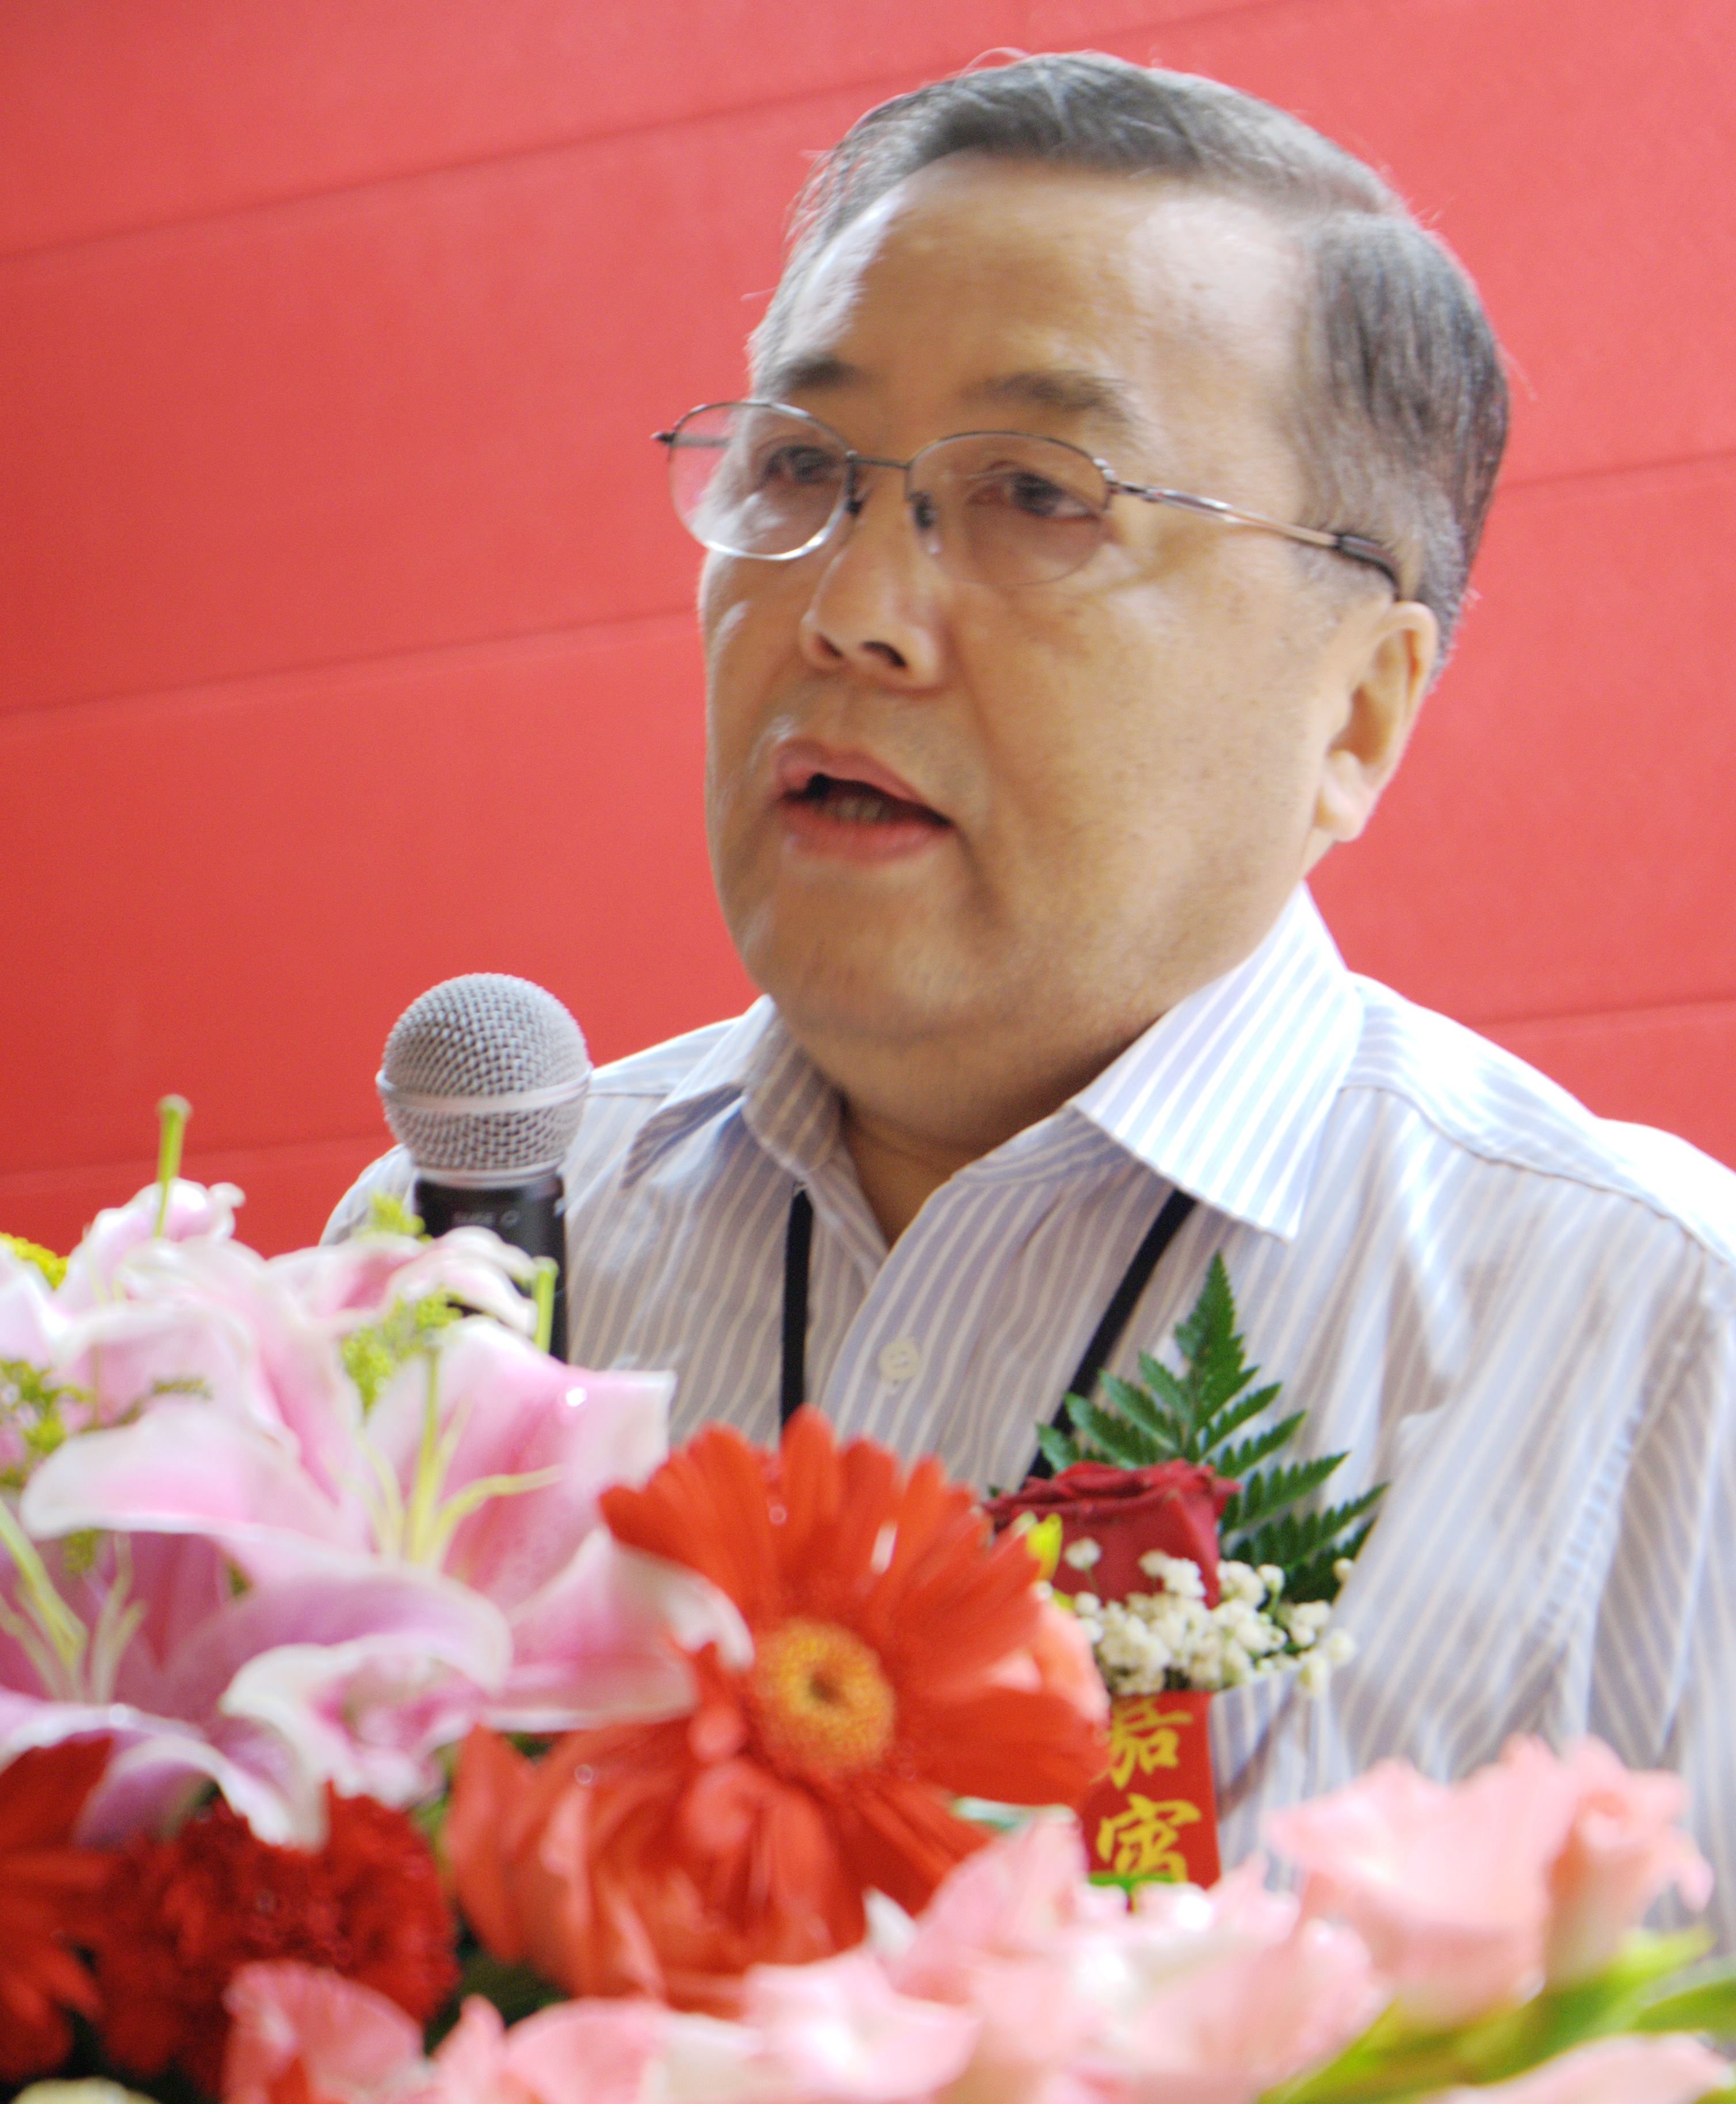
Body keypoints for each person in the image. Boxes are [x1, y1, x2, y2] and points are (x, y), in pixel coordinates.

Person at [333, 54, 1736, 1928]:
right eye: (801, 469)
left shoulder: (1657, 1346)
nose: (850, 609)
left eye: (1034, 495)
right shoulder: (465, 1244)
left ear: (1355, 711)